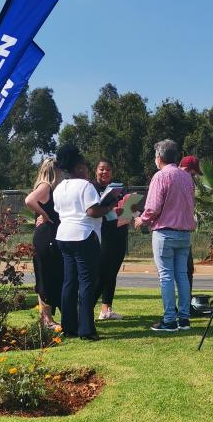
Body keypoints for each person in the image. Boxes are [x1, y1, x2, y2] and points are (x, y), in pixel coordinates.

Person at [53, 144, 122, 341]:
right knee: (86, 283)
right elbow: (92, 211)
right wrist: (108, 206)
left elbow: (59, 210)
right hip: (84, 236)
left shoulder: (59, 187)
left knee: (69, 282)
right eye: (84, 165)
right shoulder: (86, 186)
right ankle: (86, 330)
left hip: (63, 235)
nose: (86, 169)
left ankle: (69, 327)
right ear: (78, 167)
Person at [135, 139, 196, 332]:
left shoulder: (160, 176)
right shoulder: (187, 177)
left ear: (159, 157)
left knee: (166, 276)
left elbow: (153, 207)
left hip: (165, 231)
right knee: (182, 275)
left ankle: (169, 320)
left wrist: (142, 220)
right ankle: (184, 318)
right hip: (184, 233)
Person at [24, 157, 63, 328]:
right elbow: (29, 200)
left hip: (48, 235)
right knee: (46, 276)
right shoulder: (46, 186)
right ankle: (47, 319)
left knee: (46, 276)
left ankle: (46, 318)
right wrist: (45, 215)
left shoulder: (47, 187)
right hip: (46, 236)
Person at [93, 158, 128, 320]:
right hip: (102, 235)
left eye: (108, 169)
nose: (104, 172)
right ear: (96, 171)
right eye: (101, 169)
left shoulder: (118, 189)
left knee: (112, 272)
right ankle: (86, 309)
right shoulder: (91, 188)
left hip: (119, 233)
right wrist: (110, 209)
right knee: (101, 274)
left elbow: (125, 209)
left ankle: (106, 309)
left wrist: (130, 208)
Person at [179, 155, 201, 293]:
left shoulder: (188, 183)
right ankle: (183, 302)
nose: (193, 177)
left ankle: (185, 301)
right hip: (177, 231)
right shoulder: (182, 181)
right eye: (192, 173)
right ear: (186, 169)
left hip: (183, 231)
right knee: (183, 270)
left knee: (186, 269)